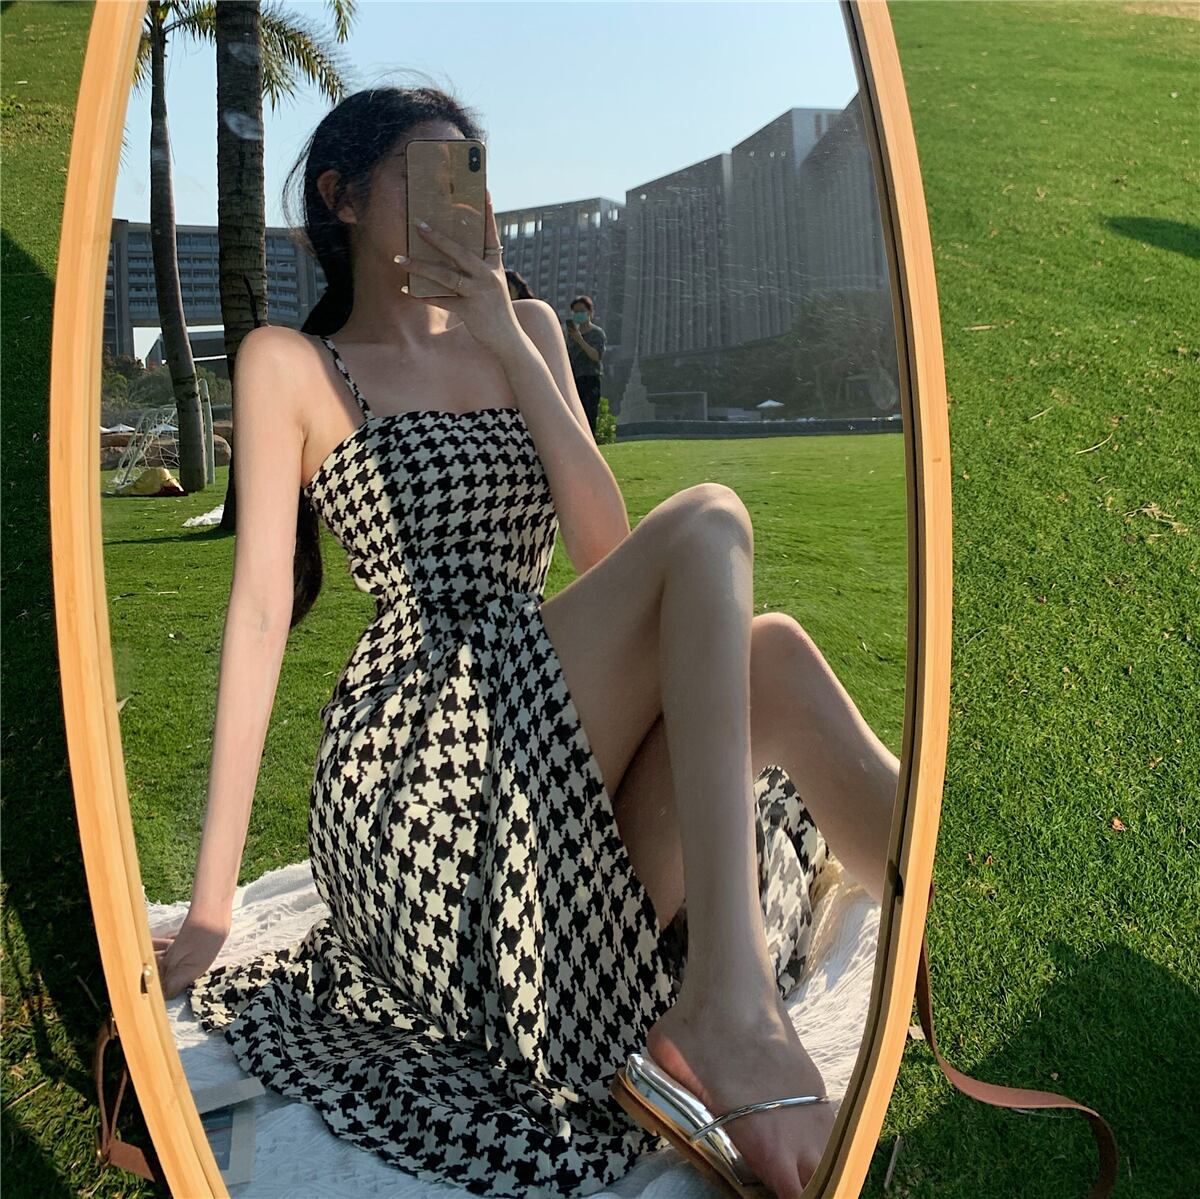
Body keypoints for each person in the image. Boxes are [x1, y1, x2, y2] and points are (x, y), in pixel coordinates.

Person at [153, 85, 897, 1199]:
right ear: (342, 197)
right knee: (709, 519)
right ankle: (727, 1008)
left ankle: (948, 894)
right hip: (419, 757)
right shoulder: (290, 364)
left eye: (473, 175)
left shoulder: (529, 329)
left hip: (547, 710)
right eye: (428, 174)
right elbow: (260, 613)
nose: (462, 202)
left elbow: (601, 551)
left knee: (774, 653)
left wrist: (506, 333)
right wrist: (212, 907)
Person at [564, 294, 605, 437]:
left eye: (582, 311)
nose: (578, 314)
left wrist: (580, 340)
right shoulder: (571, 336)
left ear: (590, 312)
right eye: (575, 312)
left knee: (589, 415)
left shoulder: (596, 333)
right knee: (575, 416)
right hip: (574, 379)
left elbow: (596, 356)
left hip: (590, 378)